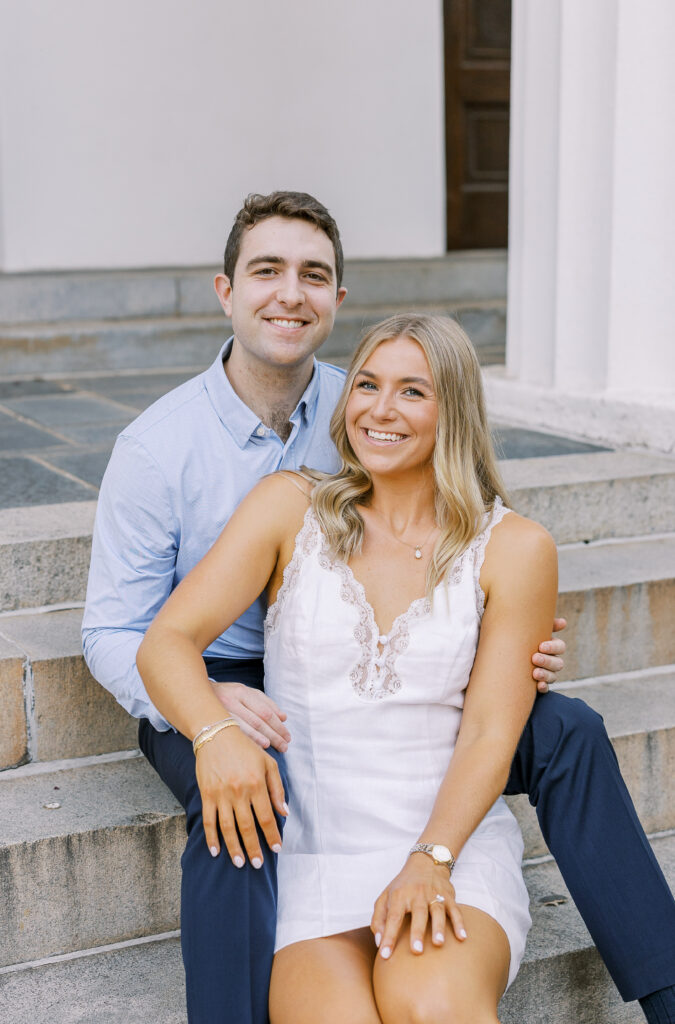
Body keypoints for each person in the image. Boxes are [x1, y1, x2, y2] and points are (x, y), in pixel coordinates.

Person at [82, 191, 675, 1024]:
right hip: (231, 686)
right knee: (245, 794)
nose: (290, 294)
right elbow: (128, 632)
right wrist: (209, 721)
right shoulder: (164, 450)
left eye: (312, 276)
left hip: (408, 752)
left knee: (565, 728)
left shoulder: (352, 402)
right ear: (225, 290)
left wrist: (496, 648)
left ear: (336, 301)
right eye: (267, 272)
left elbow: (461, 544)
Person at [136, 313, 559, 1023]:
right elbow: (166, 640)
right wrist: (214, 734)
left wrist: (432, 858)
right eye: (366, 384)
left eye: (411, 392)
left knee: (431, 1007)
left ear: (452, 409)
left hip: (446, 842)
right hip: (313, 855)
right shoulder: (286, 507)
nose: (379, 409)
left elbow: (490, 730)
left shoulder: (516, 548)